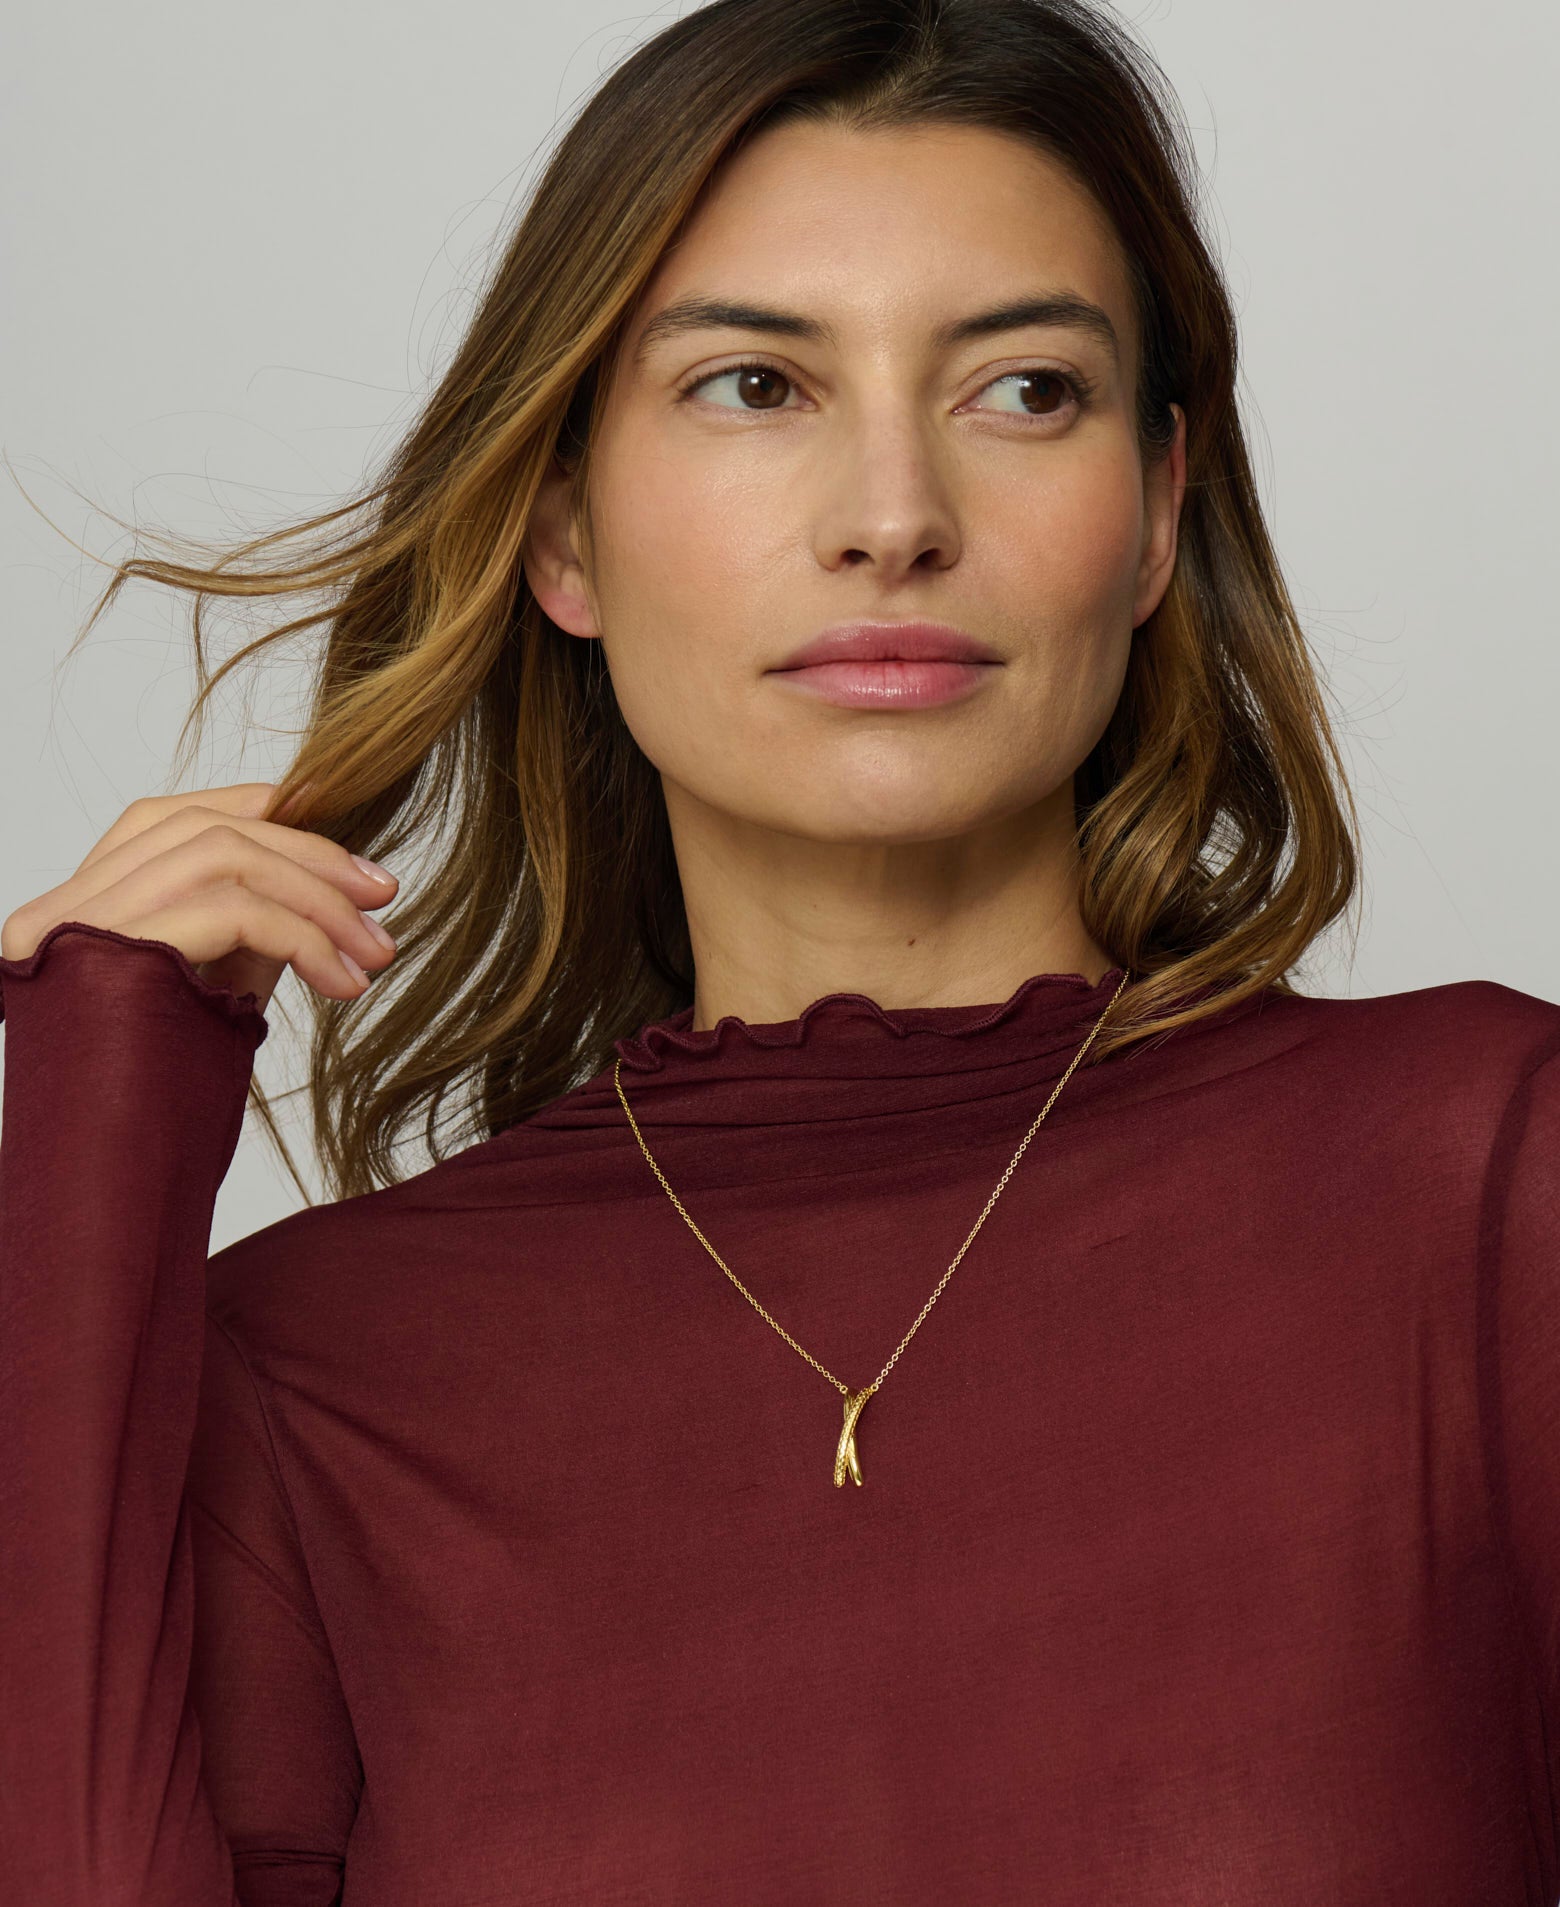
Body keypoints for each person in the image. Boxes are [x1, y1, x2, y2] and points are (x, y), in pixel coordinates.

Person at [2, 0, 1556, 1901]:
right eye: (756, 386)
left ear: (1156, 513)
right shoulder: (321, 1373)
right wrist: (98, 1112)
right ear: (562, 530)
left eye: (1024, 391)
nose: (894, 519)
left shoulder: (1482, 1182)